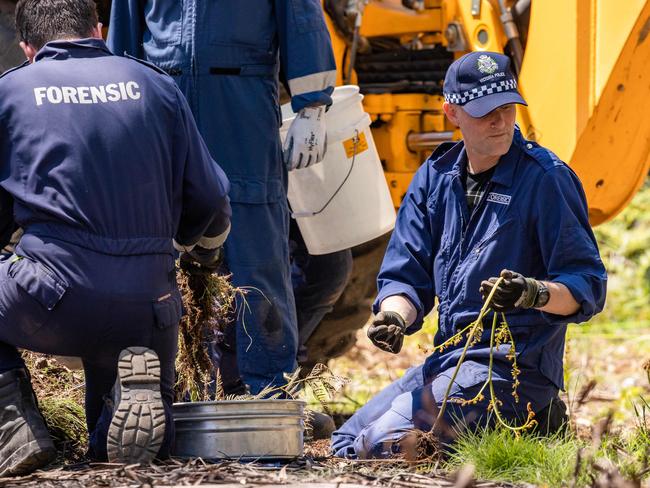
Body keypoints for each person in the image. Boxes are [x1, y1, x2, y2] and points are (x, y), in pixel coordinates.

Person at [331, 51, 607, 458]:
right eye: (484, 111)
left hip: (513, 371)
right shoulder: (435, 177)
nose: (500, 121)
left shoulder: (547, 179)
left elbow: (587, 286)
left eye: (507, 107)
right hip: (449, 360)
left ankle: (530, 420)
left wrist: (533, 293)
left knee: (378, 446)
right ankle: (521, 428)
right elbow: (407, 274)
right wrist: (393, 316)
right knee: (343, 443)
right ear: (452, 113)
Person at [0, 0, 231, 475]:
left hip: (52, 295)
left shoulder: (12, 91)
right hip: (151, 304)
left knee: (63, 298)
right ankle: (117, 414)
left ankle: (13, 425)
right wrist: (193, 251)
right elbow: (210, 199)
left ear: (27, 48)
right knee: (112, 452)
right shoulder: (157, 85)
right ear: (99, 30)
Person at [107, 0, 351, 398]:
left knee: (259, 256)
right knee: (162, 256)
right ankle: (175, 393)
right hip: (165, 105)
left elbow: (301, 18)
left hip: (243, 110)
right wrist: (116, 106)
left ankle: (268, 389)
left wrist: (313, 106)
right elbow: (123, 37)